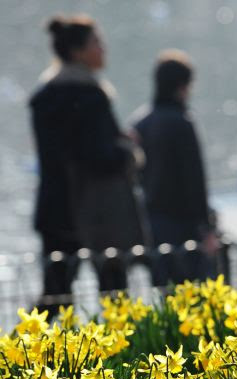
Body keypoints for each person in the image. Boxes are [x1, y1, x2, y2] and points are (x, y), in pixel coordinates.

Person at [30, 14, 145, 315]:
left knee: (55, 296)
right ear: (78, 51)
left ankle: (22, 356)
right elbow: (97, 157)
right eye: (97, 42)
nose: (103, 48)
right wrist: (127, 149)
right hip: (97, 213)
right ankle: (120, 358)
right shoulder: (90, 96)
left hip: (55, 208)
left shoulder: (44, 97)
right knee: (115, 296)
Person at [132, 50, 218, 287]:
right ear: (183, 86)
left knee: (165, 291)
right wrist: (207, 228)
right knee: (194, 291)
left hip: (151, 220)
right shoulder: (182, 122)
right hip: (184, 223)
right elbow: (195, 179)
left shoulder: (140, 122)